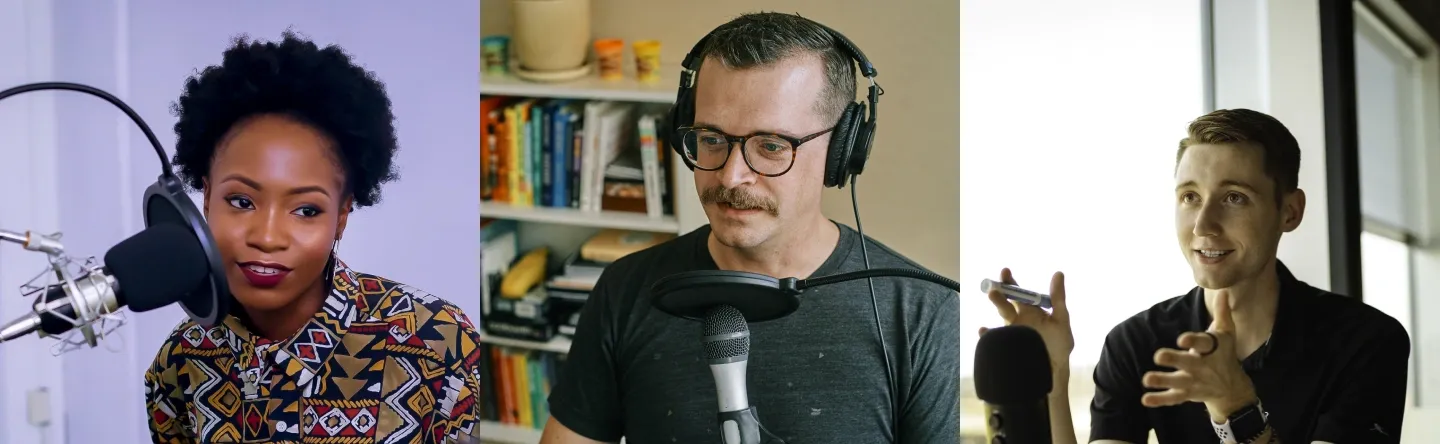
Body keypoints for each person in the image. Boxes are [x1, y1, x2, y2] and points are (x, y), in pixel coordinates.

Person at [540, 12, 961, 444]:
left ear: (841, 152)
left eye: (771, 146)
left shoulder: (925, 315)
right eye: (711, 138)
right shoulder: (626, 288)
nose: (730, 177)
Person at [983, 108, 1412, 443]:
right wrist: (1054, 374)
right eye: (1190, 197)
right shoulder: (1136, 342)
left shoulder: (1367, 341)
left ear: (1289, 211)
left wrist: (1236, 406)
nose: (1203, 225)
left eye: (1234, 197)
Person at [142, 31, 485, 444]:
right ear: (207, 197)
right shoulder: (179, 361)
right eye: (241, 201)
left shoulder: (439, 344)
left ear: (341, 216)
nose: (268, 237)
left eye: (306, 210)